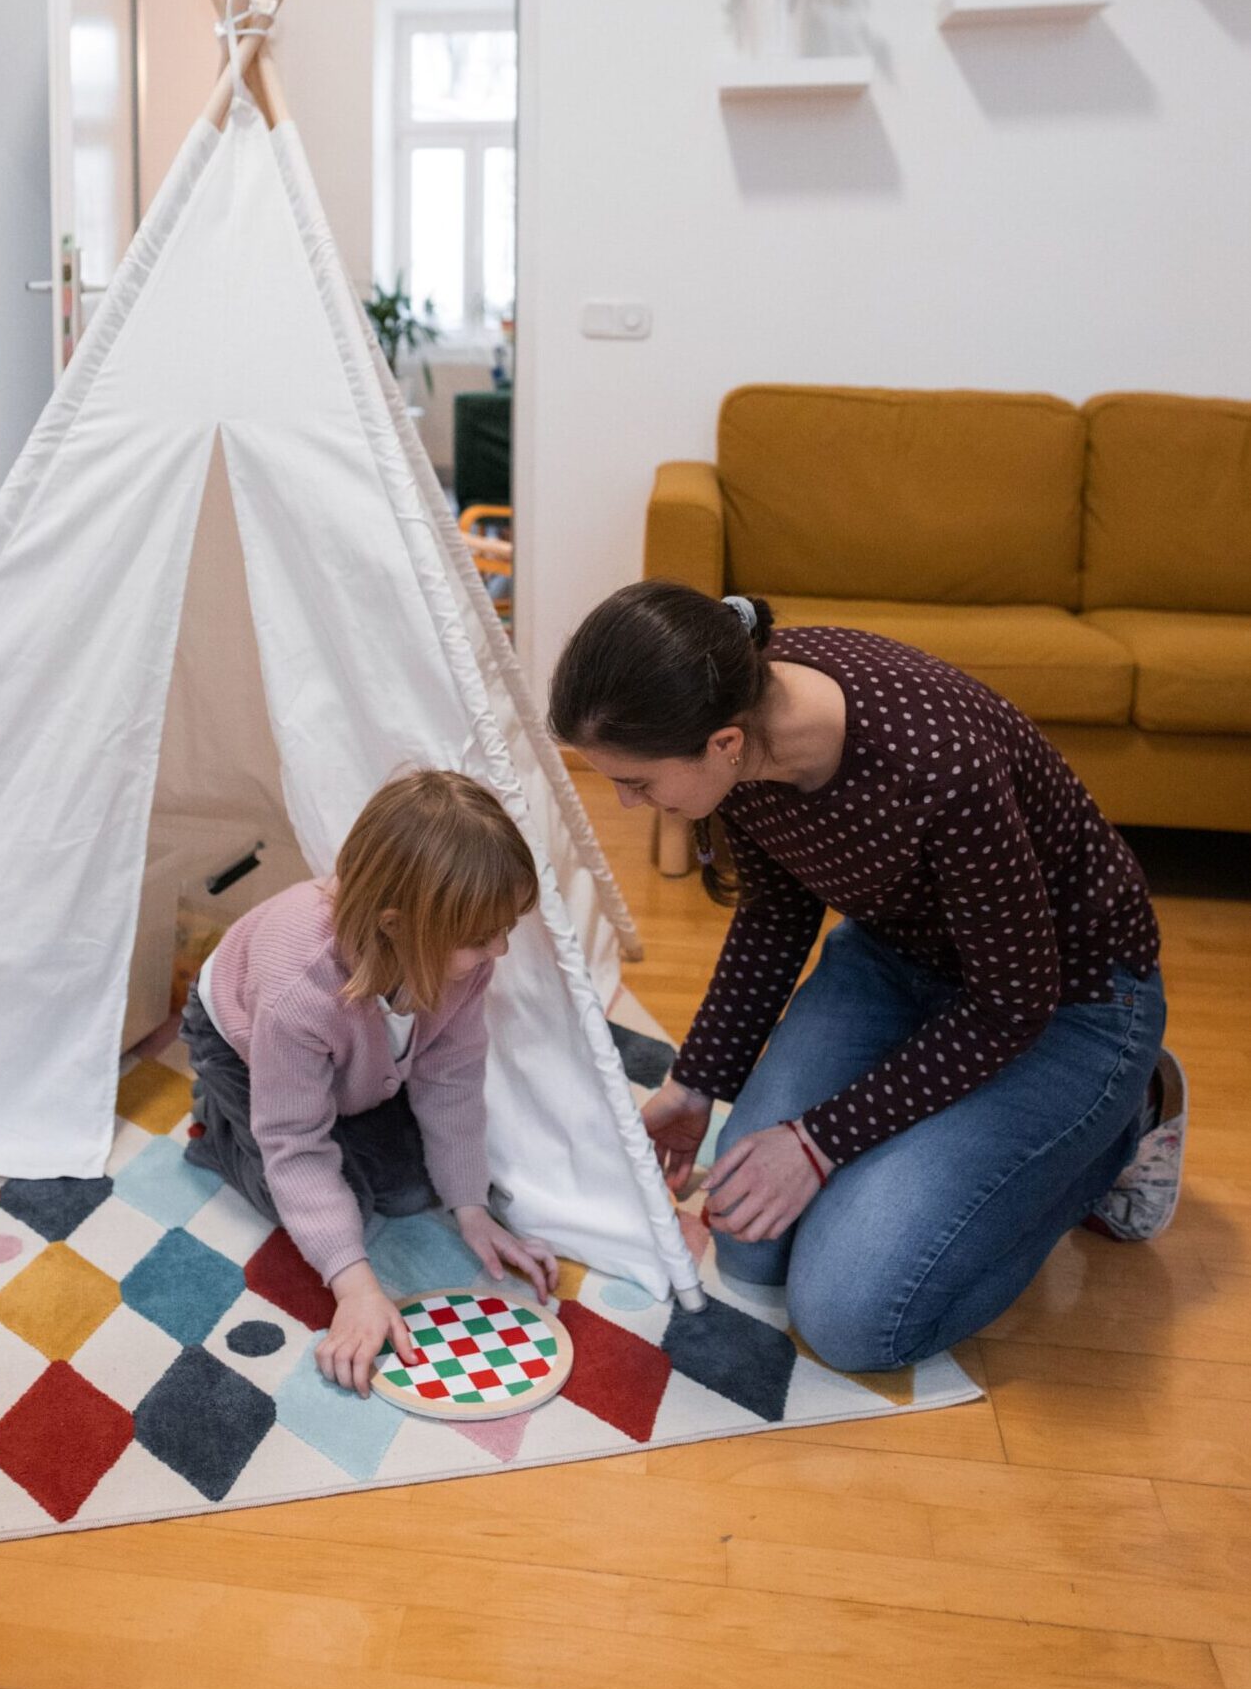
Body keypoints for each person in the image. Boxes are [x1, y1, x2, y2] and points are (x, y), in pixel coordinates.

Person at [549, 581, 1186, 1373]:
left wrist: (820, 1142)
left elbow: (1010, 1006)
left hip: (1067, 1004)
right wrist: (695, 1084)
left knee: (855, 1318)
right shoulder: (741, 723)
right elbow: (777, 914)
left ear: (721, 744)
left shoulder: (937, 767)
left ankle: (1126, 1118)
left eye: (637, 783)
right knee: (751, 1240)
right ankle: (948, 1149)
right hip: (899, 958)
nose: (622, 802)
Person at [180, 769, 558, 1397]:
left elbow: (452, 1077)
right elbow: (296, 1143)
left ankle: (344, 1109)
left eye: (505, 930)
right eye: (479, 938)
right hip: (240, 1048)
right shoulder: (298, 993)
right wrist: (354, 1285)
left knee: (414, 1192)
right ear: (395, 925)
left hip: (353, 1057)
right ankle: (220, 1124)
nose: (499, 950)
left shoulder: (460, 962)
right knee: (341, 1218)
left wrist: (471, 1206)